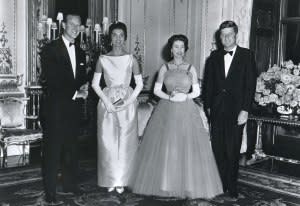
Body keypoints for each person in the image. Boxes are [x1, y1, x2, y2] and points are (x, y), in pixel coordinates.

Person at [130, 34, 223, 199]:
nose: (179, 50)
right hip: (167, 109)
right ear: (170, 49)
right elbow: (157, 90)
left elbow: (197, 91)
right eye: (175, 47)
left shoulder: (191, 68)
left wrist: (185, 97)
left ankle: (187, 184)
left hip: (187, 110)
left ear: (185, 49)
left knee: (186, 146)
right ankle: (167, 183)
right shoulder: (165, 68)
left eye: (182, 47)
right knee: (168, 146)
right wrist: (170, 97)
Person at [202, 20, 257, 200]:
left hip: (237, 111)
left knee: (232, 150)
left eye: (229, 34)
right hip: (217, 110)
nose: (226, 38)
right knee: (218, 149)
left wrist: (245, 110)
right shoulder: (213, 58)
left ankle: (232, 187)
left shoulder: (247, 56)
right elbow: (208, 85)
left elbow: (250, 85)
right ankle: (220, 184)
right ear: (219, 37)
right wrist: (208, 106)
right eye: (223, 35)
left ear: (235, 35)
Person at [40, 13, 88, 205]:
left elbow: (81, 78)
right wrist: (76, 93)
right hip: (55, 110)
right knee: (53, 151)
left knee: (71, 149)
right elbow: (51, 81)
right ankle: (50, 192)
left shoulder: (82, 52)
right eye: (72, 24)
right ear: (64, 26)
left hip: (73, 110)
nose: (76, 28)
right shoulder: (50, 50)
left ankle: (70, 184)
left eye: (79, 25)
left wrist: (84, 88)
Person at [91, 21, 143, 194]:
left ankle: (123, 179)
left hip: (127, 104)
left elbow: (140, 85)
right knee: (108, 142)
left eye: (121, 35)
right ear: (110, 38)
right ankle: (110, 179)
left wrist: (128, 102)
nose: (118, 39)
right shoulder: (102, 59)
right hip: (107, 104)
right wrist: (106, 102)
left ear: (125, 38)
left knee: (126, 142)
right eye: (115, 35)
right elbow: (95, 84)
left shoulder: (131, 59)